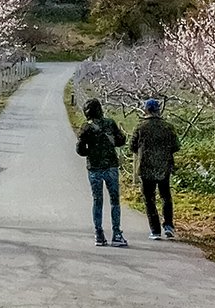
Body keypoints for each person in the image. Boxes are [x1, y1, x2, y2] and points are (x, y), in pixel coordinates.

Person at [75, 98, 128, 247]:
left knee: (97, 200)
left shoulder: (86, 127)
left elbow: (80, 149)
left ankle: (99, 234)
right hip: (111, 165)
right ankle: (116, 233)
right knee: (114, 200)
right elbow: (120, 141)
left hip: (94, 167)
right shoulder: (110, 123)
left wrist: (90, 152)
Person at [130, 97, 180, 240]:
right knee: (166, 196)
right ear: (158, 110)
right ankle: (169, 226)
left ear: (146, 110)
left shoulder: (140, 127)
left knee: (149, 198)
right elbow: (176, 146)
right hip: (164, 166)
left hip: (146, 167)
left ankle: (155, 230)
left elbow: (132, 146)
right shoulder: (168, 127)